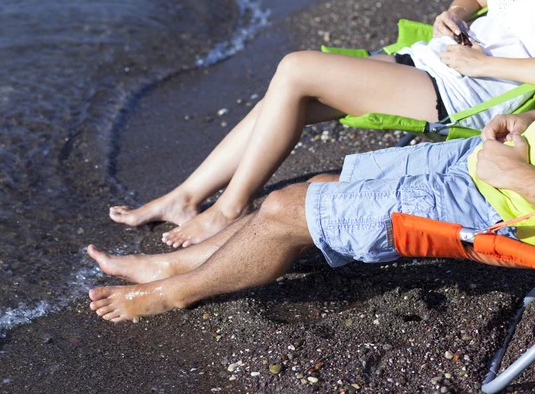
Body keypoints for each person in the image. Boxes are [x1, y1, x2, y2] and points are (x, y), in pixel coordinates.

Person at [108, 0, 535, 250]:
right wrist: (454, 12)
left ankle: (229, 208)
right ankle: (186, 196)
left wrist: (481, 64)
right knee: (286, 97)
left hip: (470, 92)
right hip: (436, 58)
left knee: (297, 70)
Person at [87, 110, 535, 322]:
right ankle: (173, 262)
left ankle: (175, 290)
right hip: (490, 159)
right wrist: (524, 119)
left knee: (287, 207)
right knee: (322, 185)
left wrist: (515, 173)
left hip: (501, 205)